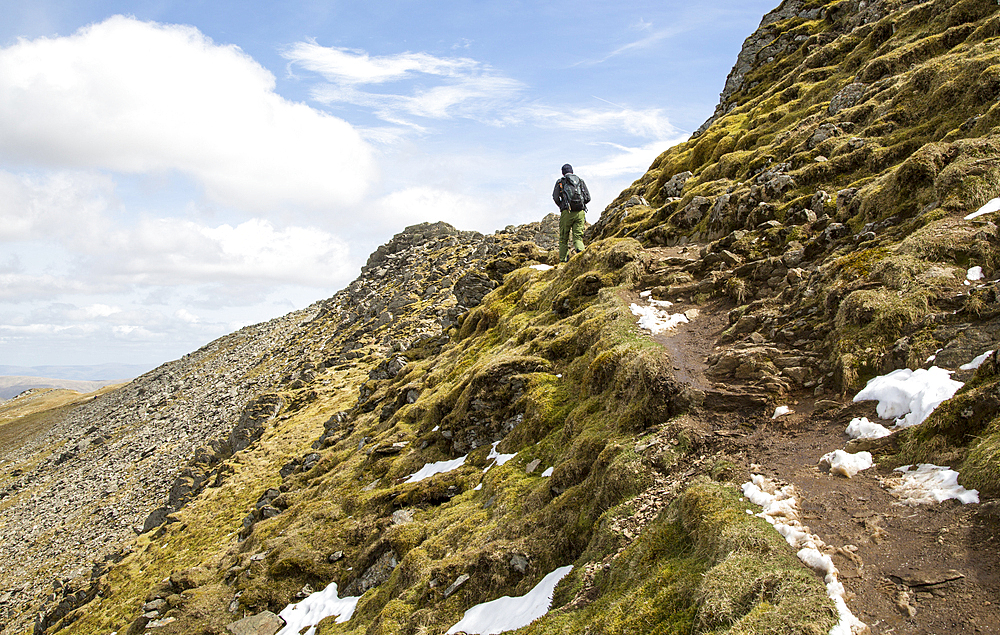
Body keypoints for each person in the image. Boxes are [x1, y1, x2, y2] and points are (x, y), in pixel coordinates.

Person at [551, 163, 591, 263]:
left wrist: (562, 206)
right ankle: (582, 257)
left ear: (563, 172)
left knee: (564, 238)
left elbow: (555, 197)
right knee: (578, 236)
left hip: (567, 212)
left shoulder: (561, 182)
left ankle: (563, 261)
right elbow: (588, 198)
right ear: (572, 171)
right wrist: (580, 205)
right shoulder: (580, 181)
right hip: (580, 212)